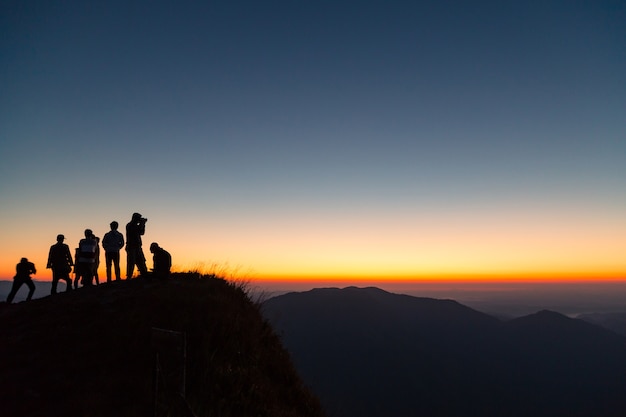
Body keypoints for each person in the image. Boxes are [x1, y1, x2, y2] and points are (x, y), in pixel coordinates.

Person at [126, 212, 148, 279]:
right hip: (131, 246)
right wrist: (142, 223)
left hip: (138, 246)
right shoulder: (130, 225)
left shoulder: (135, 225)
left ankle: (144, 275)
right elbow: (137, 230)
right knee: (131, 262)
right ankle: (129, 277)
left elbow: (142, 232)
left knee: (141, 261)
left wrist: (143, 224)